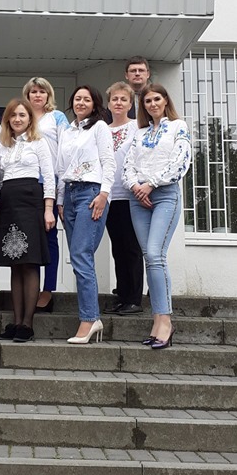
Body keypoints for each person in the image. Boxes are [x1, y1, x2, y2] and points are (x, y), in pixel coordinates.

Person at [122, 83, 191, 349]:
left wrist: (151, 184)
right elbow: (128, 165)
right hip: (138, 198)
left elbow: (180, 161)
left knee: (155, 254)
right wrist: (136, 187)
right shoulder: (139, 133)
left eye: (156, 99)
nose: (152, 104)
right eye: (147, 101)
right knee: (150, 258)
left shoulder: (178, 127)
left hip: (164, 195)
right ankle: (157, 321)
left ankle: (166, 321)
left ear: (165, 101)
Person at [0, 99, 55, 343]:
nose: (17, 119)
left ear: (30, 118)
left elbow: (48, 177)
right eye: (13, 115)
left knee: (29, 262)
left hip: (31, 201)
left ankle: (28, 324)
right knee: (14, 262)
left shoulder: (39, 142)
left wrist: (48, 209)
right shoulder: (2, 144)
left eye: (22, 115)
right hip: (8, 202)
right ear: (7, 119)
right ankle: (16, 322)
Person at [57, 86, 116, 345]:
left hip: (91, 193)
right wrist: (60, 201)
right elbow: (62, 169)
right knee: (78, 257)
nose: (81, 102)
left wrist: (104, 194)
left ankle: (90, 319)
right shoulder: (67, 131)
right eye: (77, 99)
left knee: (81, 255)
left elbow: (109, 161)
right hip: (69, 194)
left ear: (95, 104)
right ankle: (91, 317)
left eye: (86, 99)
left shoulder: (99, 127)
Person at [22, 77, 69, 312]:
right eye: (33, 92)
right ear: (27, 95)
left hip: (51, 183)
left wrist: (61, 190)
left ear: (48, 95)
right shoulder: (22, 117)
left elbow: (66, 151)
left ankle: (48, 289)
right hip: (26, 184)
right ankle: (29, 288)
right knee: (29, 239)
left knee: (50, 237)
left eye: (42, 91)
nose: (38, 95)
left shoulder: (57, 117)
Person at [104, 82, 143, 315]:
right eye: (115, 99)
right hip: (110, 196)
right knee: (117, 248)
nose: (118, 103)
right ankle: (122, 295)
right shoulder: (102, 129)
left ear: (130, 104)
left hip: (131, 195)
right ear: (108, 104)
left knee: (131, 247)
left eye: (123, 99)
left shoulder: (137, 127)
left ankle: (134, 299)